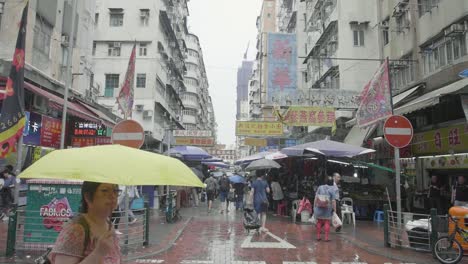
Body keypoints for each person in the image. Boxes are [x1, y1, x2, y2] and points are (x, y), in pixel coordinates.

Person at [49, 181, 121, 263]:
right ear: (87, 197)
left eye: (115, 191)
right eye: (105, 191)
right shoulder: (75, 229)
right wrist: (98, 253)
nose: (112, 196)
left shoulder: (109, 224)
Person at [314, 177, 337, 242]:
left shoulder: (320, 187)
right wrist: (335, 210)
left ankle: (318, 236)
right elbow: (333, 201)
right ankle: (326, 238)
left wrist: (315, 206)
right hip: (327, 208)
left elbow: (316, 197)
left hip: (319, 207)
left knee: (319, 222)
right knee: (327, 222)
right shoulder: (332, 189)